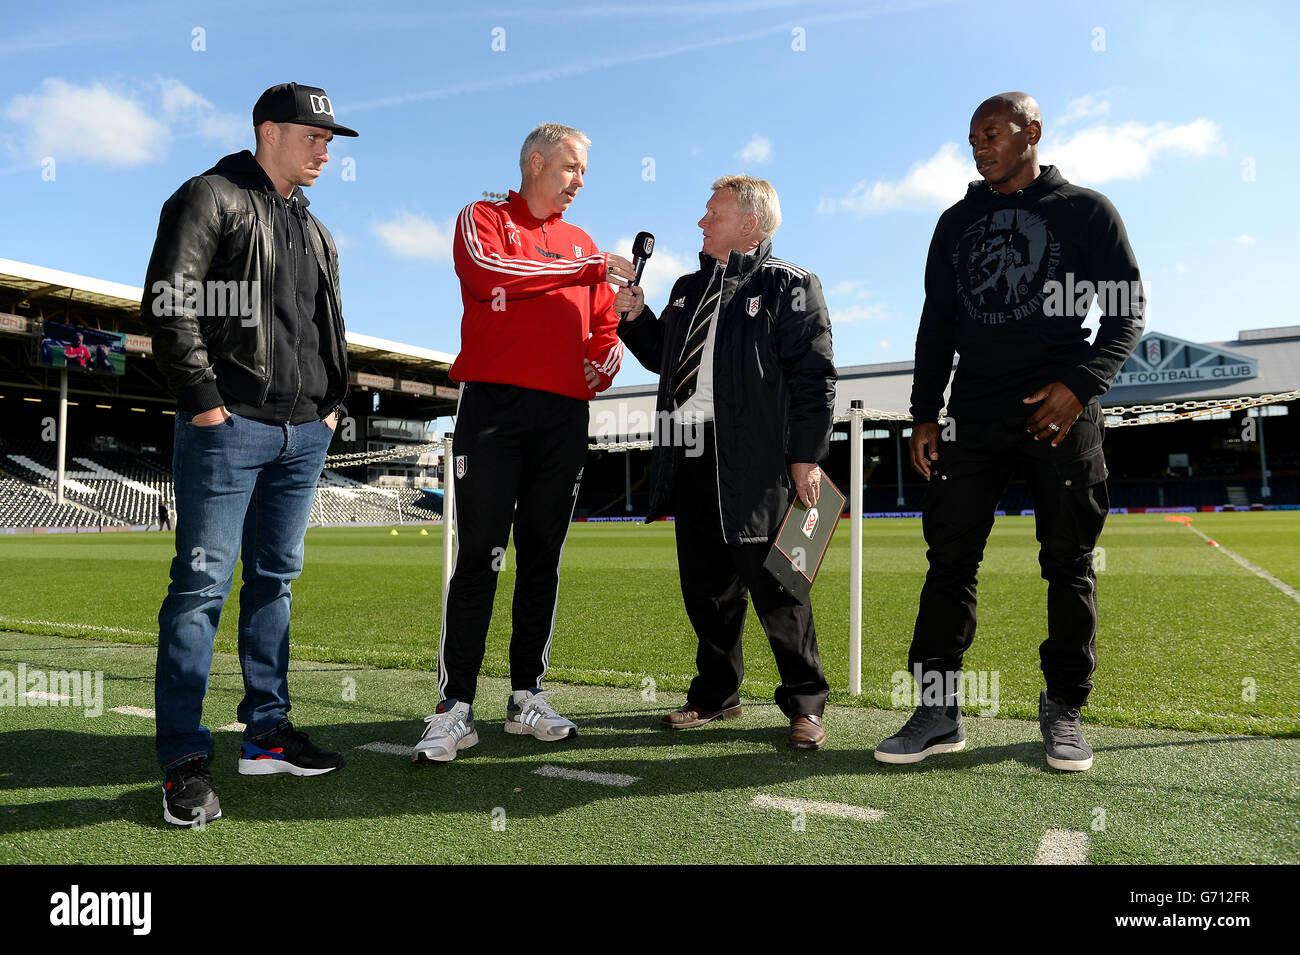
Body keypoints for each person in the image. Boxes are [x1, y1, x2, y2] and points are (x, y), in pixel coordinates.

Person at [874, 92, 1143, 771]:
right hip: (973, 414)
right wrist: (925, 412)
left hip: (1059, 415)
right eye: (973, 138)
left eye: (992, 132)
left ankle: (1064, 707)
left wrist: (1079, 386)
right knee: (949, 561)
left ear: (1033, 132)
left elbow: (1125, 314)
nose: (980, 146)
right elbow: (936, 325)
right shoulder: (956, 221)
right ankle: (937, 711)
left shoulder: (1085, 211)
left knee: (1069, 564)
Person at [141, 82, 357, 825]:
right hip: (229, 426)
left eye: (330, 140)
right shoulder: (210, 196)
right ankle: (183, 759)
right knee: (201, 589)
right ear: (269, 131)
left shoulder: (314, 227)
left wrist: (335, 404)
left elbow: (327, 325)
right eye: (312, 136)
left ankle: (266, 733)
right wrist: (205, 398)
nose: (325, 150)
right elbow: (169, 301)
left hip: (305, 432)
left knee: (275, 583)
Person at [411, 123, 630, 763]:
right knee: (480, 553)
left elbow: (604, 326)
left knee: (542, 557)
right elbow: (490, 275)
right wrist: (587, 267)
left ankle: (526, 696)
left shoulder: (580, 241)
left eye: (584, 171)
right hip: (494, 411)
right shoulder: (482, 218)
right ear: (535, 162)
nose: (579, 181)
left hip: (564, 415)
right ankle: (455, 708)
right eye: (570, 167)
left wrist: (605, 359)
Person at [616, 175, 836, 750]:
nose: (700, 222)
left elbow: (815, 377)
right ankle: (716, 695)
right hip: (690, 449)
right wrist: (637, 317)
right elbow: (666, 361)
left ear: (749, 223)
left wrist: (806, 456)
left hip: (757, 455)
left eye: (712, 212)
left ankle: (806, 704)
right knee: (706, 588)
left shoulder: (790, 284)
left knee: (780, 584)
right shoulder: (688, 287)